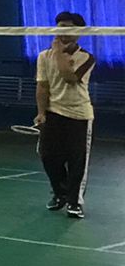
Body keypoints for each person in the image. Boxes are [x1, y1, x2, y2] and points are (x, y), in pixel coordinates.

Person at [36, 11, 95, 219]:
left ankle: (74, 202)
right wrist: (41, 112)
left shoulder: (86, 57)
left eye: (69, 27)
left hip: (79, 115)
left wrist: (59, 52)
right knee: (47, 155)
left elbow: (68, 77)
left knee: (77, 160)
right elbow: (42, 86)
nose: (63, 32)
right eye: (60, 27)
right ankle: (60, 193)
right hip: (53, 113)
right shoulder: (43, 56)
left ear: (79, 32)